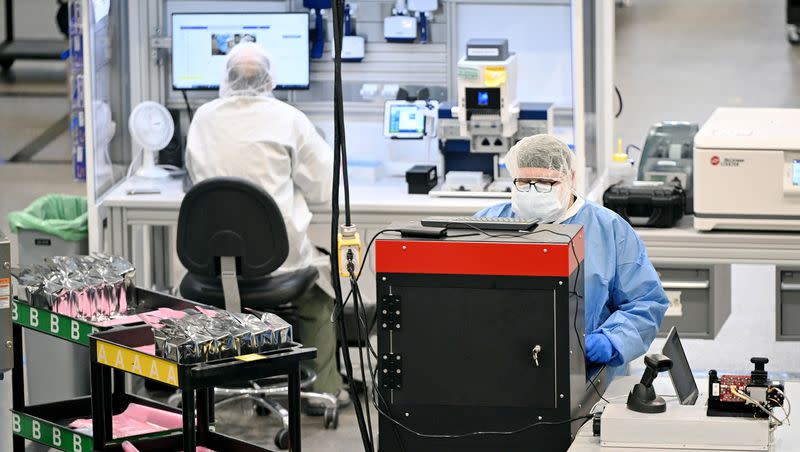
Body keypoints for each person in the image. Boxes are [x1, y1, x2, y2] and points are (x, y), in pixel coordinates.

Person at [185, 42, 347, 413]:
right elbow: (324, 186)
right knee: (320, 291)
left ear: (224, 80)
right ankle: (321, 395)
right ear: (270, 80)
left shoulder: (203, 119)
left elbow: (196, 178)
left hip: (210, 268)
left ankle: (217, 383)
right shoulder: (289, 119)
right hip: (277, 264)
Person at [475, 134, 669, 376]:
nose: (534, 191)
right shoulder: (486, 225)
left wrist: (611, 340)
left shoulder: (608, 229)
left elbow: (646, 301)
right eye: (524, 182)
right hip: (501, 366)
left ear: (571, 178)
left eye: (546, 183)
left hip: (586, 373)